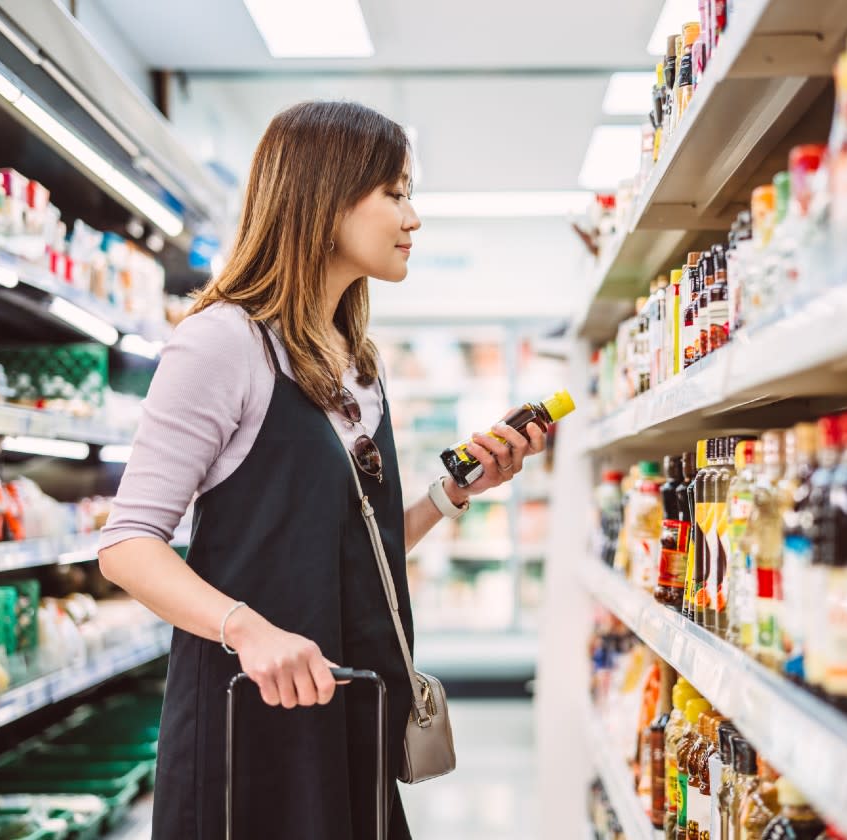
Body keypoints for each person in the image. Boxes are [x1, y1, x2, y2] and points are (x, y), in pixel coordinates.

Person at [97, 100, 547, 840]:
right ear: (325, 197)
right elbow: (127, 545)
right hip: (250, 724)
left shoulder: (356, 364)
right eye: (396, 193)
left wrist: (452, 492)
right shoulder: (223, 344)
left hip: (351, 715)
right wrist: (246, 629)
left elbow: (346, 552)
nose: (414, 218)